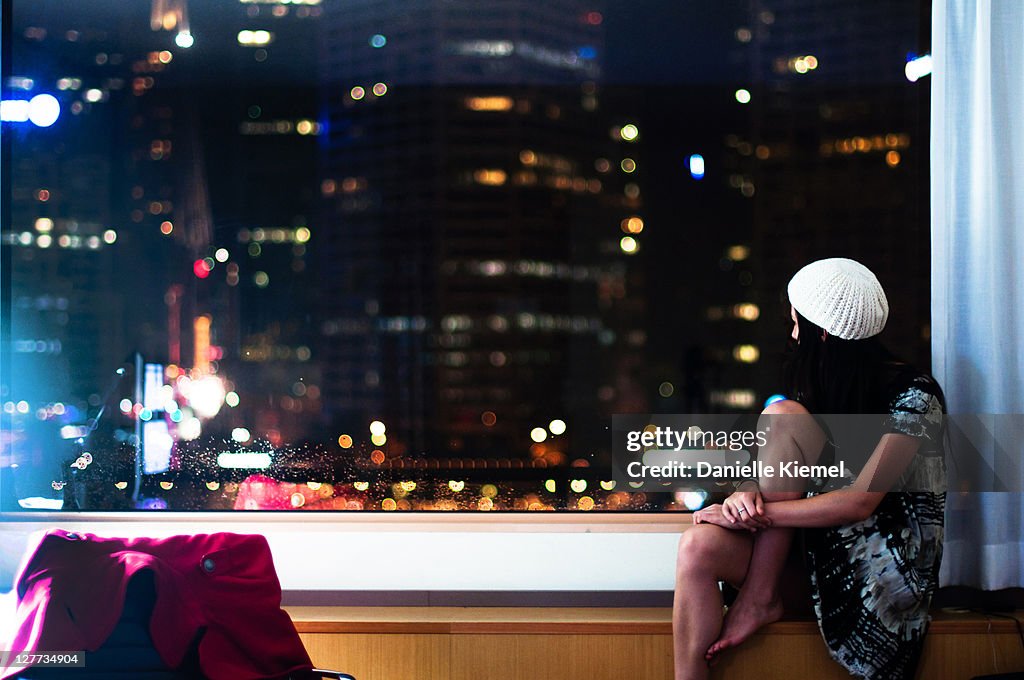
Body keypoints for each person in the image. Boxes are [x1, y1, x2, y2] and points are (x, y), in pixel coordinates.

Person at [673, 258, 946, 680]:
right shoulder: (818, 389)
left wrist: (757, 513)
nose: (792, 332)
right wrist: (747, 492)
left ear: (821, 332)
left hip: (876, 580)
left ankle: (759, 598)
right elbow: (790, 472)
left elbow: (860, 502)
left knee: (781, 416)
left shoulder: (915, 396)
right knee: (698, 546)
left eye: (795, 322)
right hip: (815, 555)